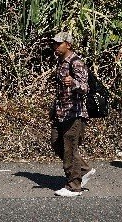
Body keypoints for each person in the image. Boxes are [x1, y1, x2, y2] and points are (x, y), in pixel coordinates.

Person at [48, 31, 96, 197]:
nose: (55, 46)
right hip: (61, 112)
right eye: (54, 43)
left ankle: (74, 186)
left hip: (74, 113)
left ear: (68, 44)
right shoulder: (60, 61)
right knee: (56, 142)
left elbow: (85, 87)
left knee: (69, 149)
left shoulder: (76, 63)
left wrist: (74, 82)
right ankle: (84, 169)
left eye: (58, 43)